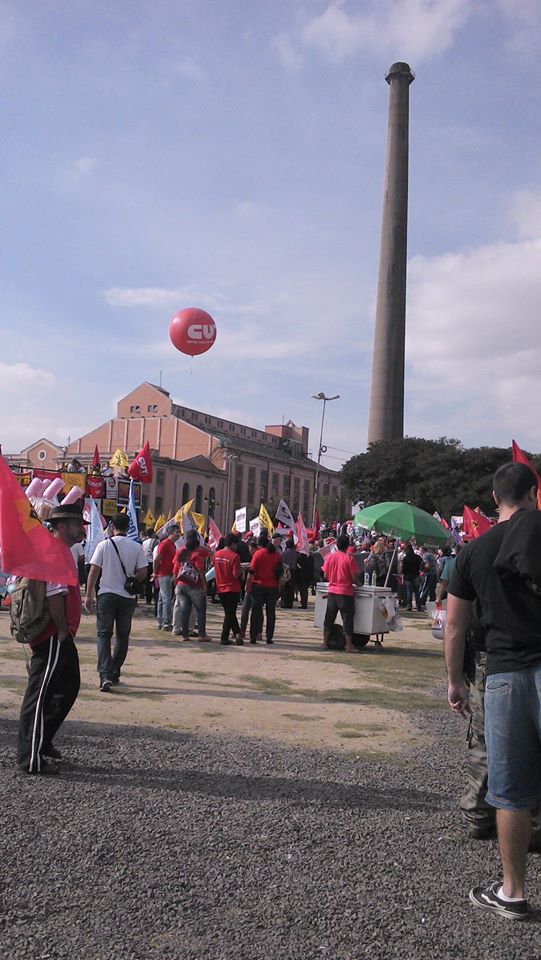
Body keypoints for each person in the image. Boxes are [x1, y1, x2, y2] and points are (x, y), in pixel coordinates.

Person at [445, 461, 540, 920]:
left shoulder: (473, 552)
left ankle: (513, 892)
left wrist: (454, 682)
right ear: (534, 493)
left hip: (503, 673)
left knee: (512, 789)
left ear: (494, 497)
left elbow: (454, 628)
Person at [17, 504, 89, 775]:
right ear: (61, 526)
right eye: (75, 524)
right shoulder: (55, 551)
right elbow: (54, 595)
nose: (81, 529)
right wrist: (61, 629)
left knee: (68, 685)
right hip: (52, 634)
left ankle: (43, 740)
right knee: (40, 693)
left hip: (60, 632)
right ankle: (30, 758)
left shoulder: (61, 550)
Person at [85, 513, 147, 691]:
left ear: (112, 526)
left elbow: (94, 571)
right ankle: (114, 671)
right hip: (127, 597)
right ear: (129, 527)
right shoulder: (136, 547)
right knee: (122, 636)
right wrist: (133, 580)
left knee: (103, 635)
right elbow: (143, 571)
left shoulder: (104, 544)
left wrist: (89, 595)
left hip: (106, 594)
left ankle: (105, 674)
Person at [321, 534, 361, 653]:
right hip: (345, 593)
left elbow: (325, 575)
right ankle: (348, 646)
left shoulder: (330, 558)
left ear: (337, 545)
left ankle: (324, 643)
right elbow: (354, 578)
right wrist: (360, 584)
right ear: (348, 546)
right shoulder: (349, 559)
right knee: (347, 620)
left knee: (329, 618)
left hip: (332, 593)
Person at [172, 529, 212, 642]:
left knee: (184, 610)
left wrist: (175, 582)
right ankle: (202, 635)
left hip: (181, 585)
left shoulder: (180, 552)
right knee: (200, 610)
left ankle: (185, 635)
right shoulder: (197, 555)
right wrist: (204, 585)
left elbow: (175, 569)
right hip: (194, 586)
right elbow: (200, 570)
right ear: (196, 544)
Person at [246, 532, 283, 644]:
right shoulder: (278, 556)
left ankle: (253, 636)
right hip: (273, 587)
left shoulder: (258, 554)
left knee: (256, 612)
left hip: (258, 586)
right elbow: (279, 573)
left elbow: (251, 571)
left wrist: (248, 585)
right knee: (271, 613)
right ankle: (269, 637)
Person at [214, 533, 242, 645]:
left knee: (229, 612)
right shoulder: (234, 557)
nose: (236, 547)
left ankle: (237, 633)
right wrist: (241, 570)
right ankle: (224, 637)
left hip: (220, 587)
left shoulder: (216, 555)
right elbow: (235, 574)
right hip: (232, 588)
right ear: (233, 543)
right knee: (230, 614)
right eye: (236, 544)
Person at [153, 524, 181, 630]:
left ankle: (160, 621)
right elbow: (156, 559)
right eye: (177, 532)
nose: (179, 535)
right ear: (170, 533)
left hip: (169, 573)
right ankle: (166, 622)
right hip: (163, 574)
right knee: (166, 598)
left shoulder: (173, 545)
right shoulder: (164, 544)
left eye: (179, 533)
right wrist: (155, 572)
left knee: (162, 598)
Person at [400, 542, 423, 611]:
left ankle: (409, 605)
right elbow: (422, 565)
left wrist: (403, 574)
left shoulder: (405, 558)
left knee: (409, 591)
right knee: (417, 592)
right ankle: (418, 606)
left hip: (408, 576)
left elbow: (403, 569)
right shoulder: (417, 557)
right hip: (416, 575)